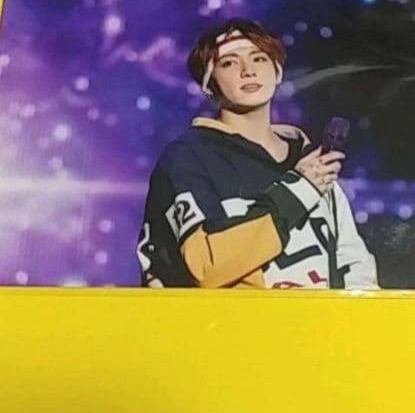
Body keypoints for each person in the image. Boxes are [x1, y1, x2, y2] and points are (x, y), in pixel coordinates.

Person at [136, 18, 379, 289]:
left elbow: (353, 265)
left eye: (259, 59)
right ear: (208, 83)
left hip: (317, 317)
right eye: (229, 63)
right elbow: (206, 267)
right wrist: (298, 191)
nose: (248, 71)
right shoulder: (188, 158)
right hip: (236, 317)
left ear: (277, 71)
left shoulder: (310, 159)